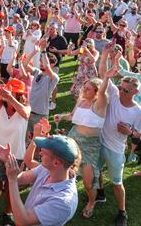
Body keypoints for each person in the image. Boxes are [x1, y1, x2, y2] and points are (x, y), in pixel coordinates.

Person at [54, 78, 107, 218]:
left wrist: (106, 77)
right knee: (66, 171)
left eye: (88, 88)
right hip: (74, 138)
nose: (84, 90)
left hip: (90, 145)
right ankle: (62, 196)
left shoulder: (100, 105)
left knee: (88, 183)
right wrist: (62, 116)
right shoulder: (81, 100)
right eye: (84, 87)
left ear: (96, 91)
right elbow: (72, 116)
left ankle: (91, 203)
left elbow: (103, 91)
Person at [96, 68, 141, 226]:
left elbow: (139, 134)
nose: (121, 92)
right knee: (98, 170)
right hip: (99, 141)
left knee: (116, 182)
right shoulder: (114, 94)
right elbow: (102, 75)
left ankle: (122, 212)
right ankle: (100, 193)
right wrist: (107, 57)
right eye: (120, 87)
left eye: (126, 90)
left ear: (135, 91)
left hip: (115, 149)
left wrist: (129, 132)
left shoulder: (138, 112)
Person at [0, 78, 30, 225]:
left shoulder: (25, 106)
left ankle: (8, 213)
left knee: (11, 187)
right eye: (9, 90)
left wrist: (9, 98)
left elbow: (26, 114)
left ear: (20, 94)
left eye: (14, 92)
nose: (11, 93)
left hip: (16, 155)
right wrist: (0, 97)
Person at [5, 135, 80, 226]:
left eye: (44, 153)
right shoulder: (47, 169)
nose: (40, 153)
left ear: (56, 163)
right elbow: (20, 179)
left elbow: (22, 221)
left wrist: (12, 180)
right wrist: (9, 161)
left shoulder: (63, 203)